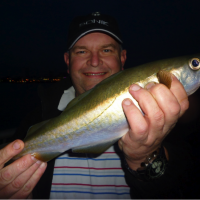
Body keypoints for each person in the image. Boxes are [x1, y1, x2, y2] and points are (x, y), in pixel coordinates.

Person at [0, 12, 195, 200]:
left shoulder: (176, 125)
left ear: (123, 58)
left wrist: (145, 156)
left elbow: (181, 189)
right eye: (82, 51)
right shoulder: (34, 119)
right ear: (68, 61)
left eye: (106, 50)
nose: (94, 62)